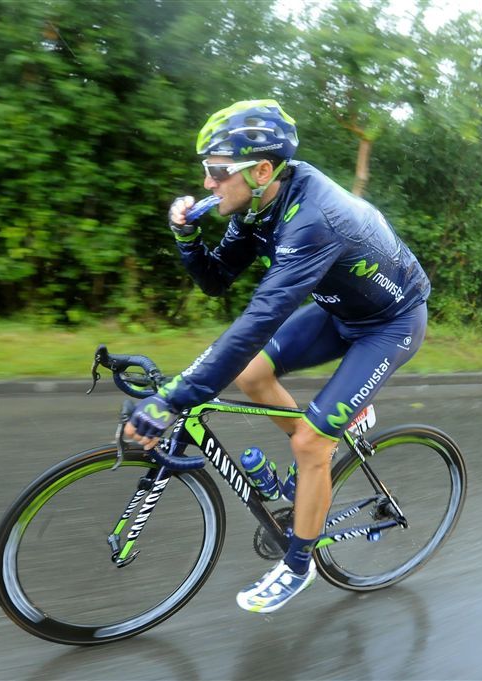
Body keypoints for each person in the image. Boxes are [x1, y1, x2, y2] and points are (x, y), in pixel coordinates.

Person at [123, 99, 431, 613]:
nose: (207, 184)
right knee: (249, 374)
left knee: (312, 442)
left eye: (218, 172)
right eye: (206, 171)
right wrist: (186, 239)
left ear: (262, 170)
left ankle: (298, 564)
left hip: (391, 324)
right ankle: (321, 449)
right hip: (339, 311)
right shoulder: (260, 202)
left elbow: (257, 321)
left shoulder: (314, 219)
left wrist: (173, 398)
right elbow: (218, 281)